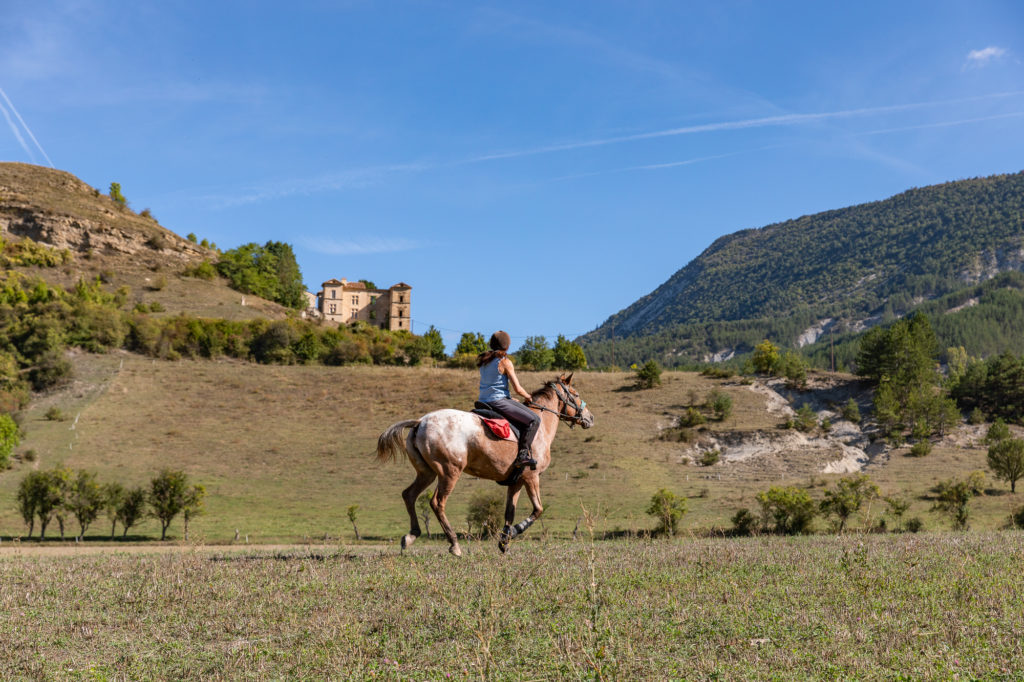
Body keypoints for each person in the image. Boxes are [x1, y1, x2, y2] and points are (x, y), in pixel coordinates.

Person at [478, 331, 539, 470]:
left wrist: (510, 399)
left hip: (484, 401)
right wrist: (528, 397)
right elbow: (518, 388)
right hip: (498, 401)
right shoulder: (504, 362)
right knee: (534, 420)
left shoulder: (484, 362)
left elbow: (493, 385)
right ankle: (523, 455)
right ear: (507, 346)